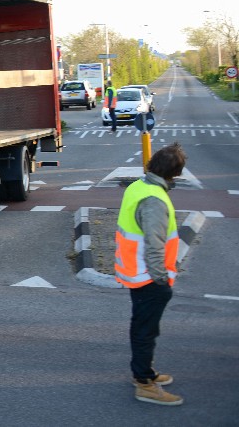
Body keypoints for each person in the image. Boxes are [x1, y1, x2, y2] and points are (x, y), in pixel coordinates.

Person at [115, 142, 187, 406]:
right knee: (146, 331)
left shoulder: (138, 186)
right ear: (175, 174)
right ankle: (144, 384)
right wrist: (161, 281)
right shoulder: (155, 200)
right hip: (149, 277)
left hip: (135, 273)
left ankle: (143, 373)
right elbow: (155, 246)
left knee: (141, 327)